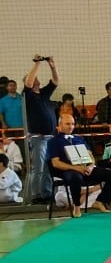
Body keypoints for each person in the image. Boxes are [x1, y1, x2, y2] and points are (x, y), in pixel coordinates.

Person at [48, 114, 111, 217]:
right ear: (59, 125)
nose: (71, 126)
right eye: (67, 124)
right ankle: (77, 207)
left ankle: (100, 201)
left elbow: (90, 155)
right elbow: (55, 163)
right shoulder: (53, 141)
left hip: (85, 168)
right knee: (75, 177)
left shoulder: (79, 139)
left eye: (73, 124)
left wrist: (91, 166)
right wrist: (76, 168)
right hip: (67, 170)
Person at [23, 55, 59, 201]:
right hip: (39, 138)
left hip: (50, 137)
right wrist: (37, 64)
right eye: (33, 77)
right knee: (38, 168)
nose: (36, 78)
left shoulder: (44, 93)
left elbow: (56, 81)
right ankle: (36, 195)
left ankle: (46, 193)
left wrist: (52, 66)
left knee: (47, 168)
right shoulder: (28, 96)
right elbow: (29, 82)